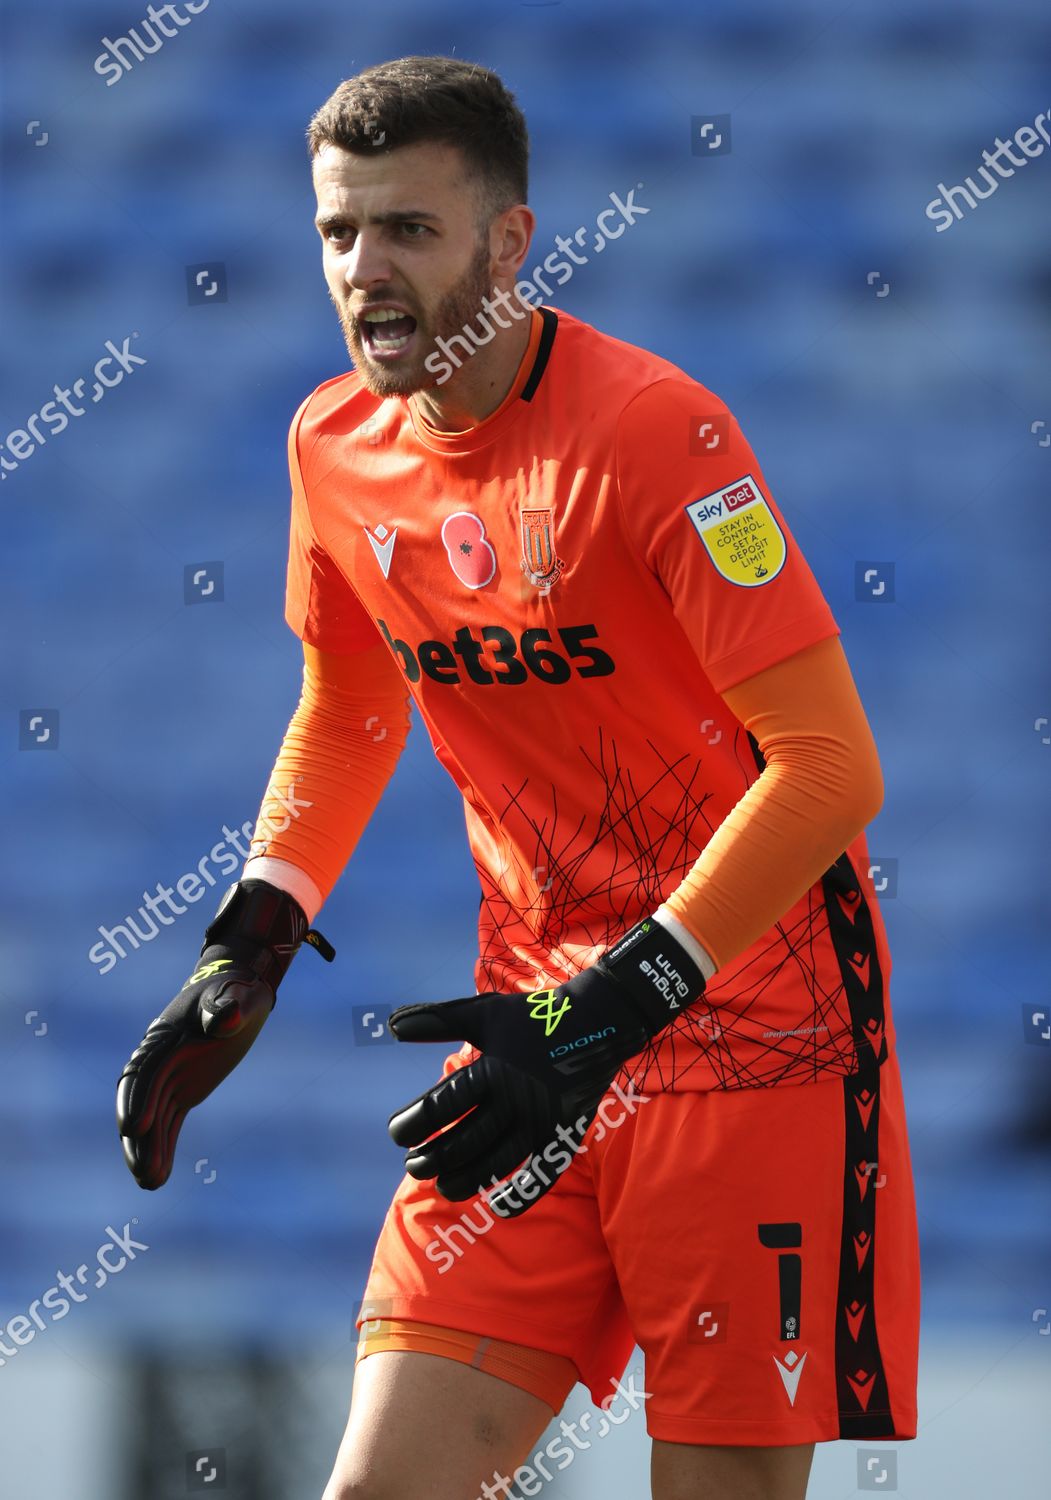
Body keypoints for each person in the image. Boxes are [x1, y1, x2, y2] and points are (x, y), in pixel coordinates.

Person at [116, 55, 920, 1500]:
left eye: (407, 231)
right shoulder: (333, 446)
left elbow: (832, 769)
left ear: (509, 244)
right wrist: (253, 935)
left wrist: (623, 1009)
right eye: (337, 232)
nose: (363, 270)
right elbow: (350, 704)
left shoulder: (656, 436)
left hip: (752, 1041)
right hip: (534, 1041)